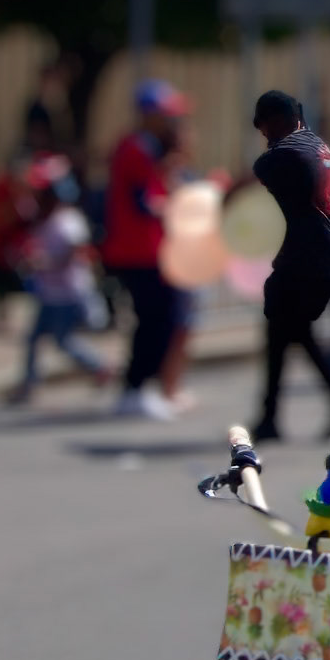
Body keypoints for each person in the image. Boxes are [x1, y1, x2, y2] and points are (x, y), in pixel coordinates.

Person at [246, 90, 330, 442]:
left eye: (266, 128)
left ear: (279, 121)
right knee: (286, 333)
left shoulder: (288, 153)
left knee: (287, 332)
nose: (265, 136)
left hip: (307, 260)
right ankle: (273, 417)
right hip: (315, 256)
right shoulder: (315, 145)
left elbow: (261, 169)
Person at [101, 79, 193, 420]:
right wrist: (174, 206)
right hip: (137, 251)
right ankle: (135, 388)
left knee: (159, 319)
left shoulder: (143, 147)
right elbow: (142, 202)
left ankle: (139, 387)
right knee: (156, 319)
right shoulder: (136, 149)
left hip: (145, 250)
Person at [7, 173, 109, 404]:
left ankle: (100, 366)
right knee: (33, 339)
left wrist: (46, 262)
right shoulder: (45, 218)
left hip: (68, 292)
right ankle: (29, 383)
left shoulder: (68, 220)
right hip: (49, 292)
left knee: (63, 340)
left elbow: (75, 252)